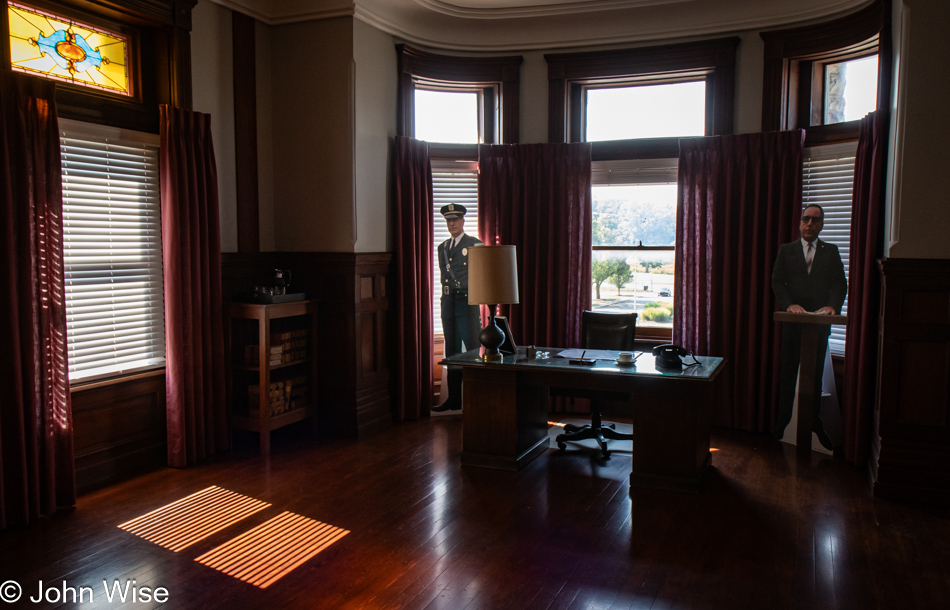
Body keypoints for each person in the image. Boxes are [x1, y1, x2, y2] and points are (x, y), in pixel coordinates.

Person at [771, 204, 847, 448]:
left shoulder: (831, 251)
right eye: (806, 219)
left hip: (819, 324)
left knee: (813, 378)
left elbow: (839, 283)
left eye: (816, 220)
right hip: (792, 323)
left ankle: (814, 423)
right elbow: (777, 281)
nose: (810, 224)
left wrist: (832, 307)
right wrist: (789, 304)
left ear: (822, 225)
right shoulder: (787, 250)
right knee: (788, 373)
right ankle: (782, 422)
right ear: (800, 222)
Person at [432, 203, 483, 412]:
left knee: (471, 352)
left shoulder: (475, 245)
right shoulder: (442, 247)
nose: (451, 223)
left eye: (455, 220)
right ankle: (454, 400)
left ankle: (475, 400)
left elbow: (481, 276)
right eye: (448, 220)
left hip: (467, 302)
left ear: (463, 221)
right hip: (448, 303)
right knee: (452, 352)